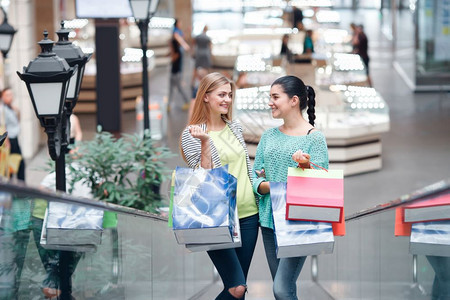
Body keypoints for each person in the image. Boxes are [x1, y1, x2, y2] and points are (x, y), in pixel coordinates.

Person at [180, 72, 259, 299]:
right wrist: (205, 141)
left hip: (248, 215)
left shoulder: (234, 127)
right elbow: (204, 177)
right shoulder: (192, 133)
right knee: (237, 288)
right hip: (217, 217)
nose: (227, 100)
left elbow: (244, 166)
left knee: (239, 288)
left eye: (230, 95)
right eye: (221, 94)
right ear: (205, 96)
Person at [252, 75, 329, 300]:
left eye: (275, 97)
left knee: (281, 288)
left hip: (299, 222)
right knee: (283, 290)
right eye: (270, 97)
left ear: (294, 100)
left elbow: (322, 183)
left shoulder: (314, 139)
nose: (270, 102)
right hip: (268, 221)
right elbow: (255, 179)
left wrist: (305, 166)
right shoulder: (268, 137)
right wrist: (275, 187)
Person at [0, 88, 25, 181]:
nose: (10, 97)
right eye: (7, 95)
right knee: (14, 165)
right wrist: (6, 141)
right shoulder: (2, 109)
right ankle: (19, 190)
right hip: (9, 140)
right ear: (2, 97)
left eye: (11, 94)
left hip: (14, 138)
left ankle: (18, 189)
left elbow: (17, 121)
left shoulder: (10, 108)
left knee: (15, 164)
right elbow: (3, 125)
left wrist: (16, 110)